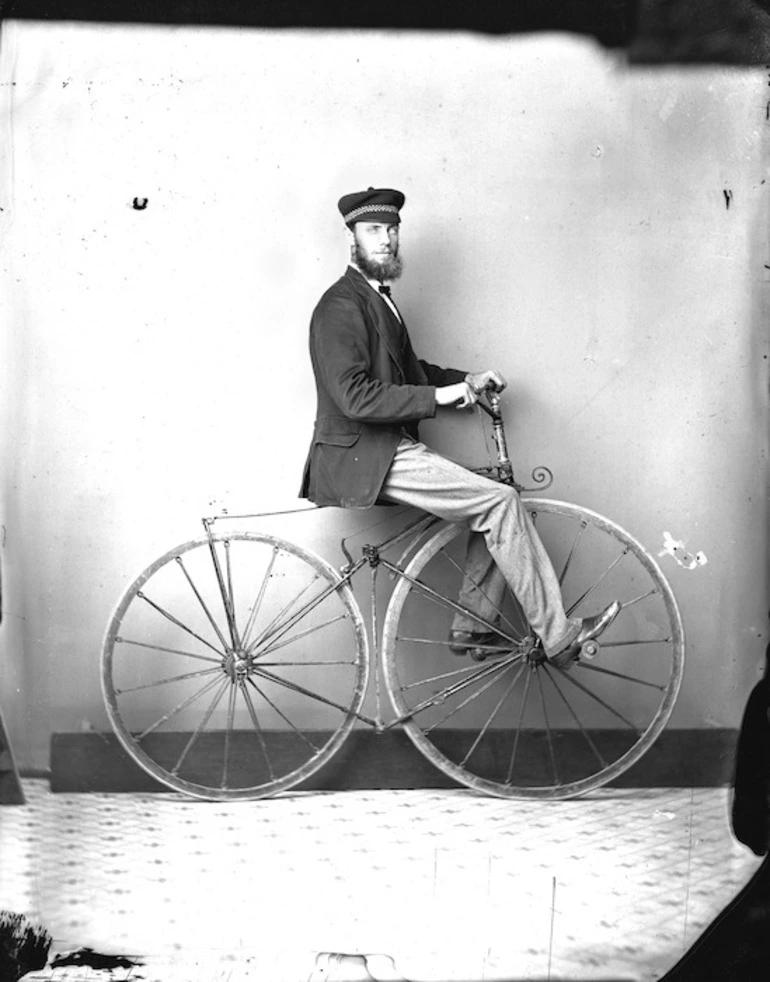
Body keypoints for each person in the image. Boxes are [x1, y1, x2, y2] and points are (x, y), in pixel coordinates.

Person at [299, 187, 619, 667]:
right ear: (352, 240)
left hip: (384, 447)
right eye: (372, 231)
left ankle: (473, 625)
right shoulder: (340, 306)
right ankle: (560, 636)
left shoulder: (378, 301)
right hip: (362, 453)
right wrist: (441, 397)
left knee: (493, 497)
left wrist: (462, 381)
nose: (384, 240)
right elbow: (354, 396)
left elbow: (410, 372)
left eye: (391, 230)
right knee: (500, 502)